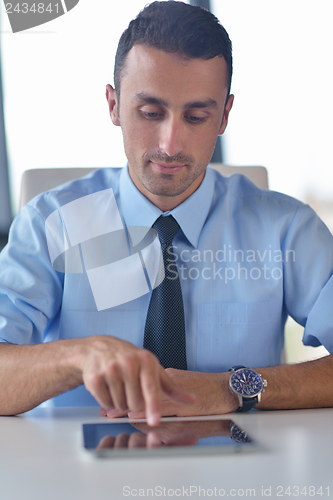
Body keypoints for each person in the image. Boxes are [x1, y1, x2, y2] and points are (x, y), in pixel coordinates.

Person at [0, 1, 332, 425]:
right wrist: (80, 355)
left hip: (238, 484)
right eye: (151, 113)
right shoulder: (50, 224)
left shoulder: (286, 230)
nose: (171, 144)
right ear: (113, 105)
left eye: (196, 116)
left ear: (225, 115)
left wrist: (230, 388)